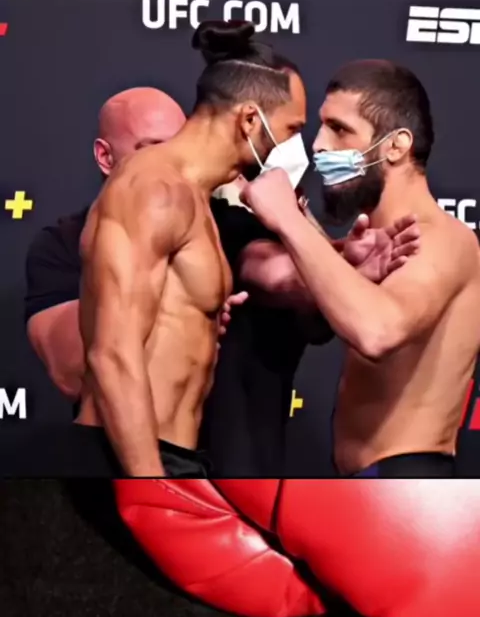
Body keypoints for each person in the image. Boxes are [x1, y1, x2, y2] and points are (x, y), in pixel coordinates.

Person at [19, 35, 418, 478]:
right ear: (249, 119)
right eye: (290, 129)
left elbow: (273, 272)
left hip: (174, 458)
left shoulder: (199, 202)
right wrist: (151, 488)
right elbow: (111, 354)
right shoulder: (153, 188)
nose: (297, 147)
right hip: (129, 461)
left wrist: (342, 260)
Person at [241, 59, 480, 478]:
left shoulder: (440, 239)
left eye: (340, 129)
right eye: (322, 127)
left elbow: (377, 332)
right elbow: (320, 326)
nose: (319, 146)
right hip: (365, 484)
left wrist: (288, 220)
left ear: (396, 146)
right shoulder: (374, 240)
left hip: (407, 483)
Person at [25, 86, 187, 401]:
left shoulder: (223, 228)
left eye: (181, 150)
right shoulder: (62, 246)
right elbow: (71, 373)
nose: (174, 167)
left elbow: (280, 279)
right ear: (105, 157)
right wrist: (181, 302)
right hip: (113, 430)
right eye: (154, 149)